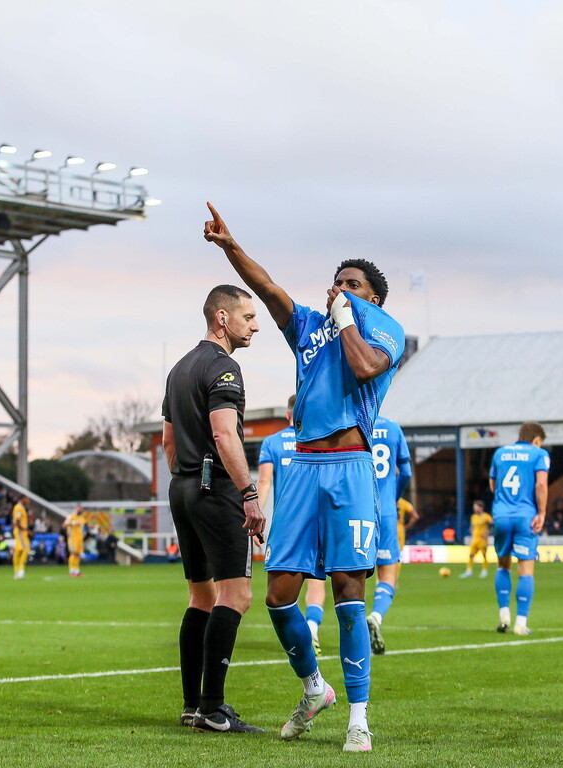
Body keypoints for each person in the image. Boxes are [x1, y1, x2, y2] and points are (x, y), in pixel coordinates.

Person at [205, 203, 405, 752]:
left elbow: (365, 368)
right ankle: (314, 687)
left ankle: (359, 718)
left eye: (353, 283)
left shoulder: (386, 328)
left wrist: (347, 318)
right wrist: (230, 246)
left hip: (350, 467)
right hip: (302, 468)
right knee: (278, 594)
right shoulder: (310, 327)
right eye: (337, 281)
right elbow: (267, 287)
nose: (340, 287)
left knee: (348, 591)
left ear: (373, 297)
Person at [162, 283, 266, 734]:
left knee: (200, 596)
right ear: (222, 318)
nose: (255, 326)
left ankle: (191, 706)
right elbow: (225, 436)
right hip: (215, 488)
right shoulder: (224, 369)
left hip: (182, 487)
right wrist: (247, 492)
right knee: (237, 595)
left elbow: (168, 441)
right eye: (248, 317)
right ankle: (213, 707)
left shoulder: (179, 368)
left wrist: (188, 477)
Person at [258, 395, 328, 655]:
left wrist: (257, 513)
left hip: (286, 521)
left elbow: (264, 483)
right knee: (316, 581)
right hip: (318, 517)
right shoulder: (319, 439)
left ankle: (298, 634)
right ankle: (311, 627)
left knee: (285, 584)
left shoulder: (272, 442)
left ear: (288, 415)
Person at [488, 422, 549, 636]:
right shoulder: (539, 454)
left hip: (502, 515)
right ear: (536, 440)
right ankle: (520, 623)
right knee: (526, 569)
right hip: (526, 517)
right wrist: (541, 513)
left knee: (503, 564)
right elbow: (541, 485)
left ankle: (504, 614)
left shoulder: (500, 453)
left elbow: (493, 485)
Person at [366, 415, 412, 655]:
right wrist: (393, 496)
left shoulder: (354, 422)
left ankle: (352, 637)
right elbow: (406, 472)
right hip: (385, 512)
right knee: (388, 575)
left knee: (351, 578)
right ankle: (375, 616)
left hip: (358, 509)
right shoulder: (393, 428)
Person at [461, 500, 494, 579]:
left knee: (484, 555)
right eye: (474, 507)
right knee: (471, 555)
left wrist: (488, 533)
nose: (475, 509)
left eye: (476, 507)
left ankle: (484, 571)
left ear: (481, 508)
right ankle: (469, 571)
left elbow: (493, 524)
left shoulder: (486, 516)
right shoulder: (473, 517)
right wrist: (471, 529)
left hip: (482, 540)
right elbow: (472, 526)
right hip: (474, 540)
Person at [64, 504, 87, 577]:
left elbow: (84, 525)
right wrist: (74, 523)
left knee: (77, 554)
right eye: (80, 509)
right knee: (73, 554)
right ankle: (71, 572)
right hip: (72, 538)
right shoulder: (71, 516)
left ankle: (76, 572)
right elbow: (65, 524)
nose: (81, 510)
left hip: (79, 539)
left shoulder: (81, 518)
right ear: (76, 508)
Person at [12, 496, 31, 580]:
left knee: (19, 551)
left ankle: (17, 571)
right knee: (25, 549)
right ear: (22, 499)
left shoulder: (21, 508)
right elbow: (16, 521)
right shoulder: (19, 507)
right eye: (27, 499)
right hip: (20, 532)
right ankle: (20, 571)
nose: (28, 501)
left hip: (21, 532)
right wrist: (26, 530)